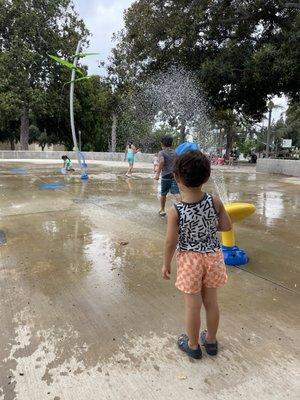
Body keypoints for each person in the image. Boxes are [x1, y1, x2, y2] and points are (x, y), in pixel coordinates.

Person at [162, 150, 232, 359]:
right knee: (211, 302)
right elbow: (226, 226)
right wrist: (207, 227)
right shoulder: (215, 201)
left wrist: (166, 263)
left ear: (176, 177)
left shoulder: (176, 211)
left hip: (190, 260)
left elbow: (170, 242)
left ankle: (193, 346)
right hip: (213, 257)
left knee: (193, 306)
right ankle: (210, 341)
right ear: (207, 177)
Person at [155, 136, 180, 216]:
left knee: (163, 193)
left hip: (165, 176)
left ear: (162, 143)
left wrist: (158, 173)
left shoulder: (161, 152)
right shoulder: (175, 152)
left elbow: (162, 161)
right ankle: (182, 209)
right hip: (174, 175)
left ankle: (162, 210)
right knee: (176, 193)